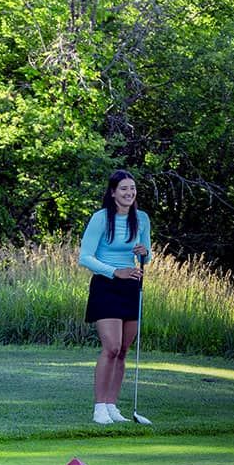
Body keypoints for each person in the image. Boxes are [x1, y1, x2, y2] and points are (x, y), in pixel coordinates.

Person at [79, 170, 151, 425]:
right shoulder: (101, 218)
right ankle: (99, 407)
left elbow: (147, 256)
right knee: (110, 347)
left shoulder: (141, 218)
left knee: (122, 350)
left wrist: (143, 253)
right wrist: (115, 272)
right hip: (106, 285)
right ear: (112, 192)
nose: (129, 193)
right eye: (123, 189)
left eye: (132, 188)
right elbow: (85, 257)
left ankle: (112, 406)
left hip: (131, 285)